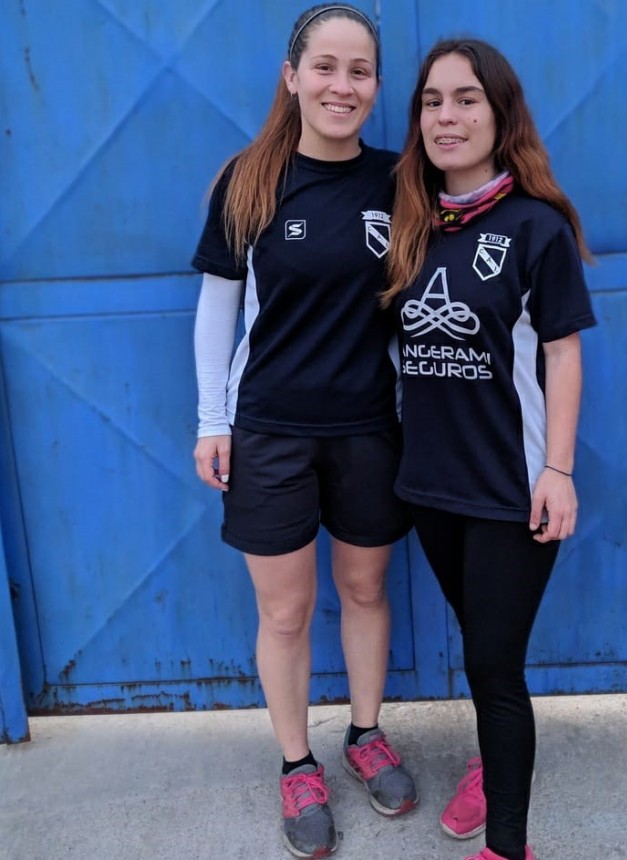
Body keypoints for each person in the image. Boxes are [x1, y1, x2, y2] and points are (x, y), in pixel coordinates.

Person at [190, 5, 417, 857]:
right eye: (324, 67)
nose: (341, 85)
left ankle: (365, 735)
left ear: (376, 88)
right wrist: (215, 419)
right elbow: (216, 311)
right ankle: (296, 763)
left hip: (370, 427)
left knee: (364, 590)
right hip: (272, 432)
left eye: (359, 71)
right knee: (285, 612)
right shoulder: (247, 180)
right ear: (292, 77)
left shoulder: (401, 183)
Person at [381, 38, 596, 860]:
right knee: (481, 649)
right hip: (432, 487)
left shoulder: (536, 227)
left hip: (514, 490)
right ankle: (491, 765)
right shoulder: (409, 223)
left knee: (496, 670)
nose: (448, 116)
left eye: (467, 98)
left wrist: (560, 471)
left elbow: (564, 354)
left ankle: (508, 846)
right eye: (432, 101)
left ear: (500, 114)